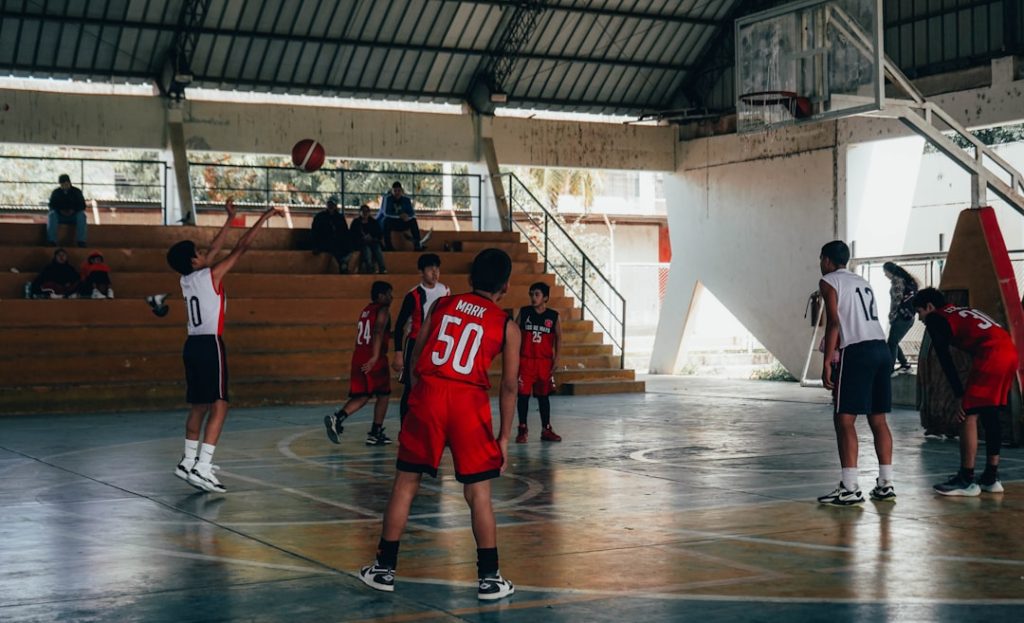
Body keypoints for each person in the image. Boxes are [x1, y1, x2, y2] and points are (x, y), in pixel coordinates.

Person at [359, 248, 520, 601]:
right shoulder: (507, 325)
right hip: (469, 403)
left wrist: (420, 398)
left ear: (469, 279)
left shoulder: (441, 305)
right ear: (506, 286)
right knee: (478, 493)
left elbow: (416, 357)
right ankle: (489, 578)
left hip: (430, 392)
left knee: (405, 483)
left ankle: (383, 570)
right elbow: (509, 386)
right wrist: (504, 438)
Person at [165, 199, 282, 493]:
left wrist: (230, 218)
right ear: (194, 261)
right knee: (221, 404)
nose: (206, 252)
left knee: (199, 405)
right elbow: (240, 247)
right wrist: (264, 216)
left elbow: (214, 250)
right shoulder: (210, 275)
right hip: (210, 345)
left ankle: (188, 461)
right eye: (200, 252)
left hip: (191, 345)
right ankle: (203, 466)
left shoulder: (186, 279)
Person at [912, 287, 1018, 496]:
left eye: (919, 312)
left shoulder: (936, 319)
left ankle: (966, 479)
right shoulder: (962, 311)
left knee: (967, 415)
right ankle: (990, 476)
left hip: (992, 355)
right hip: (1009, 352)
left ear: (930, 307)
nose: (920, 319)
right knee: (990, 412)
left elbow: (945, 359)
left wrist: (960, 396)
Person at [817, 240, 895, 506]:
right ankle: (886, 484)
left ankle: (849, 487)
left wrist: (827, 361)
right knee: (878, 420)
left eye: (821, 260)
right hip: (881, 348)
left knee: (844, 419)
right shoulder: (862, 281)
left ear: (827, 260)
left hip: (857, 351)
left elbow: (834, 322)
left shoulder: (829, 281)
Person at [325, 281, 395, 446]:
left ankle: (338, 418)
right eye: (389, 294)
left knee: (363, 395)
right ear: (380, 296)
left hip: (359, 354)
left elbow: (376, 332)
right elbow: (377, 331)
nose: (392, 297)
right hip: (373, 357)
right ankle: (375, 432)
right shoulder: (383, 309)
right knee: (383, 395)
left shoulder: (366, 310)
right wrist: (375, 357)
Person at [391, 253, 450, 422]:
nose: (435, 272)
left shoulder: (445, 290)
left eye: (437, 268)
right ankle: (406, 428)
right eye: (430, 269)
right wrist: (398, 353)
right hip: (415, 344)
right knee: (411, 387)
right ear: (421, 272)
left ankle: (435, 426)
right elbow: (400, 324)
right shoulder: (414, 295)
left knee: (437, 386)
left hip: (437, 344)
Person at [515, 281, 562, 443]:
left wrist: (557, 358)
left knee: (543, 397)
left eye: (537, 294)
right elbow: (514, 333)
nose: (533, 297)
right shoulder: (524, 312)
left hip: (544, 362)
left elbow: (559, 338)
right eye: (531, 294)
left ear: (546, 297)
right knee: (523, 396)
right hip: (526, 361)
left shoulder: (553, 316)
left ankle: (546, 429)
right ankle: (522, 428)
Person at [883, 261, 918, 374]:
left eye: (885, 272)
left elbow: (897, 301)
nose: (885, 275)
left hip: (901, 317)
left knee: (892, 342)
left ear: (890, 271)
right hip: (908, 316)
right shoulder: (905, 280)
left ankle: (890, 369)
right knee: (894, 341)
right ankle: (905, 364)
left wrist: (892, 315)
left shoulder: (897, 281)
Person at [377, 181, 431, 251]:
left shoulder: (406, 199)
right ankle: (389, 247)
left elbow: (412, 213)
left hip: (402, 222)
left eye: (399, 191)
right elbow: (386, 213)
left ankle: (417, 245)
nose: (397, 193)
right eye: (395, 191)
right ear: (392, 191)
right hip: (392, 222)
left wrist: (407, 216)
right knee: (386, 221)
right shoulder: (387, 199)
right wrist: (399, 216)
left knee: (413, 221)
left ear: (402, 191)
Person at [311, 198, 353, 274]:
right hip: (324, 241)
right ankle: (342, 265)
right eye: (330, 204)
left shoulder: (340, 217)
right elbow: (315, 232)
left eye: (333, 205)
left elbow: (345, 231)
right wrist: (315, 245)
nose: (331, 206)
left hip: (339, 241)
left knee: (349, 248)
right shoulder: (320, 217)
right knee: (335, 247)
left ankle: (343, 263)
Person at [47, 174, 87, 247]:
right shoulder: (56, 192)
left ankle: (81, 241)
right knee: (52, 215)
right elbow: (51, 205)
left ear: (69, 183)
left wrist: (74, 210)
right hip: (60, 216)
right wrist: (60, 211)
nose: (64, 185)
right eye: (62, 184)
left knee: (82, 215)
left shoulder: (77, 192)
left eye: (66, 183)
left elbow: (82, 205)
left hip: (74, 216)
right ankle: (52, 241)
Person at [350, 204, 387, 274]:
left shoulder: (373, 222)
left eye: (367, 211)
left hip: (373, 242)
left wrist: (372, 237)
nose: (365, 213)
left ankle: (382, 268)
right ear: (360, 212)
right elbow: (352, 235)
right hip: (361, 243)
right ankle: (369, 269)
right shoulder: (356, 222)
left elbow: (379, 233)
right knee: (367, 251)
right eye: (363, 211)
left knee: (378, 249)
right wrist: (362, 238)